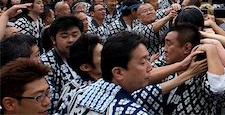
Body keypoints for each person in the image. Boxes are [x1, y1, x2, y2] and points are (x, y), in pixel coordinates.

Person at [67, 31, 207, 114]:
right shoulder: (132, 112)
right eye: (142, 62)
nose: (150, 67)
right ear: (118, 72)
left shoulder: (80, 92)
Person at [40, 15, 83, 113]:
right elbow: (51, 102)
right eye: (64, 36)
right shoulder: (45, 63)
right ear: (53, 39)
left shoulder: (85, 56)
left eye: (75, 35)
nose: (71, 40)